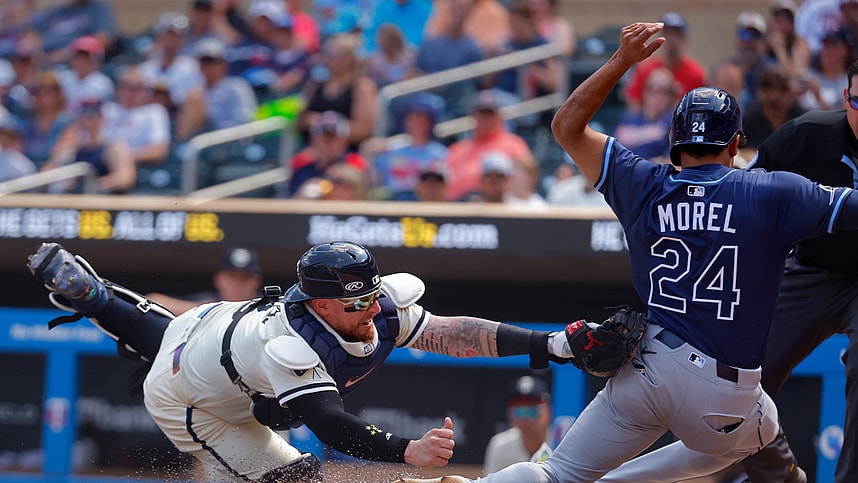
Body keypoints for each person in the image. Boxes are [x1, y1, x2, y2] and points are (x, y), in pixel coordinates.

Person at [399, 21, 858, 483]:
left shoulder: (641, 182)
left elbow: (565, 126)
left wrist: (620, 61)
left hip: (648, 366)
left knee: (558, 473)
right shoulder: (773, 193)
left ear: (674, 143)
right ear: (737, 143)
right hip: (724, 393)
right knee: (754, 436)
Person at [26, 240, 575, 481]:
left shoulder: (372, 307)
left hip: (205, 331)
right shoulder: (289, 343)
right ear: (318, 304)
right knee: (295, 477)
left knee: (170, 340)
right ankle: (99, 301)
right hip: (192, 401)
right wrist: (407, 450)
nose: (370, 307)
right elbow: (331, 425)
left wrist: (550, 344)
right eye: (354, 301)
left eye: (372, 293)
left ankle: (98, 298)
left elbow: (452, 334)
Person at [738, 57, 858, 483]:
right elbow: (745, 194)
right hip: (810, 268)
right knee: (739, 377)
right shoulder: (807, 134)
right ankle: (775, 476)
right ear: (846, 97)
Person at [443, 90, 533, 201]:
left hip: (501, 208)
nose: (485, 119)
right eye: (481, 113)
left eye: (489, 114)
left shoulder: (514, 145)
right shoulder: (457, 149)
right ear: (474, 116)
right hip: (458, 209)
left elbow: (525, 182)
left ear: (499, 116)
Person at [296, 33, 377, 150]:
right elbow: (300, 120)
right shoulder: (315, 84)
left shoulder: (362, 87)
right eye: (328, 54)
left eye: (337, 55)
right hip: (313, 150)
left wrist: (325, 125)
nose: (330, 58)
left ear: (351, 58)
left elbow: (363, 130)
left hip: (347, 152)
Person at [40, 97, 136, 194]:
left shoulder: (112, 146)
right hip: (72, 202)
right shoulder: (73, 147)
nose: (89, 120)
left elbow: (125, 178)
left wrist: (90, 185)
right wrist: (60, 152)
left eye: (94, 115)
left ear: (102, 118)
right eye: (85, 115)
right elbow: (44, 177)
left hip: (102, 203)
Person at [622, 12, 705, 112]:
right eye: (667, 34)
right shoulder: (645, 69)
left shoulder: (695, 74)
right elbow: (634, 105)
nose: (671, 39)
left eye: (676, 34)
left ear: (684, 39)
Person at [146, 247, 265, 316]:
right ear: (219, 279)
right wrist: (208, 311)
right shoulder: (208, 303)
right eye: (231, 277)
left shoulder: (266, 306)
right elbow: (152, 300)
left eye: (244, 278)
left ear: (256, 281)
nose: (237, 284)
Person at [483, 375, 553, 474]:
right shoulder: (500, 445)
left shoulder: (563, 443)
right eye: (518, 412)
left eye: (531, 410)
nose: (525, 418)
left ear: (548, 411)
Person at [740, 65, 805, 151]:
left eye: (774, 104)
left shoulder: (801, 121)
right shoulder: (748, 123)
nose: (768, 96)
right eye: (764, 90)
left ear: (788, 93)